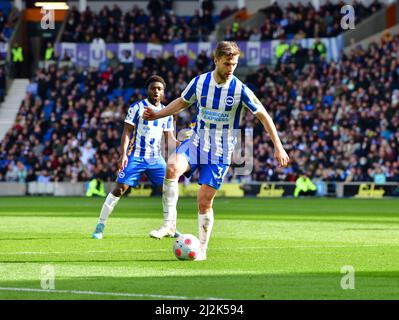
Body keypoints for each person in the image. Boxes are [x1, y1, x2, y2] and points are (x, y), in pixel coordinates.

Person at [143, 41, 290, 260]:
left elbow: (263, 115)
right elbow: (182, 103)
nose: (231, 69)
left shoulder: (239, 89)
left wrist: (278, 146)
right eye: (227, 63)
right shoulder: (200, 82)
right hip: (196, 142)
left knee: (204, 201)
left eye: (234, 64)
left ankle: (202, 249)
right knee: (172, 167)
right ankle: (169, 224)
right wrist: (157, 114)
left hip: (220, 152)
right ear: (216, 60)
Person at [92, 75, 179, 239]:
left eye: (159, 89)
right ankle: (100, 225)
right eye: (153, 88)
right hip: (136, 156)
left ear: (163, 92)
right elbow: (126, 132)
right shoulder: (137, 107)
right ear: (148, 90)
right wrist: (123, 155)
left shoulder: (166, 112)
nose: (156, 91)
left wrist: (180, 143)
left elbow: (170, 139)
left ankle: (171, 226)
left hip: (155, 159)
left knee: (169, 190)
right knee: (119, 189)